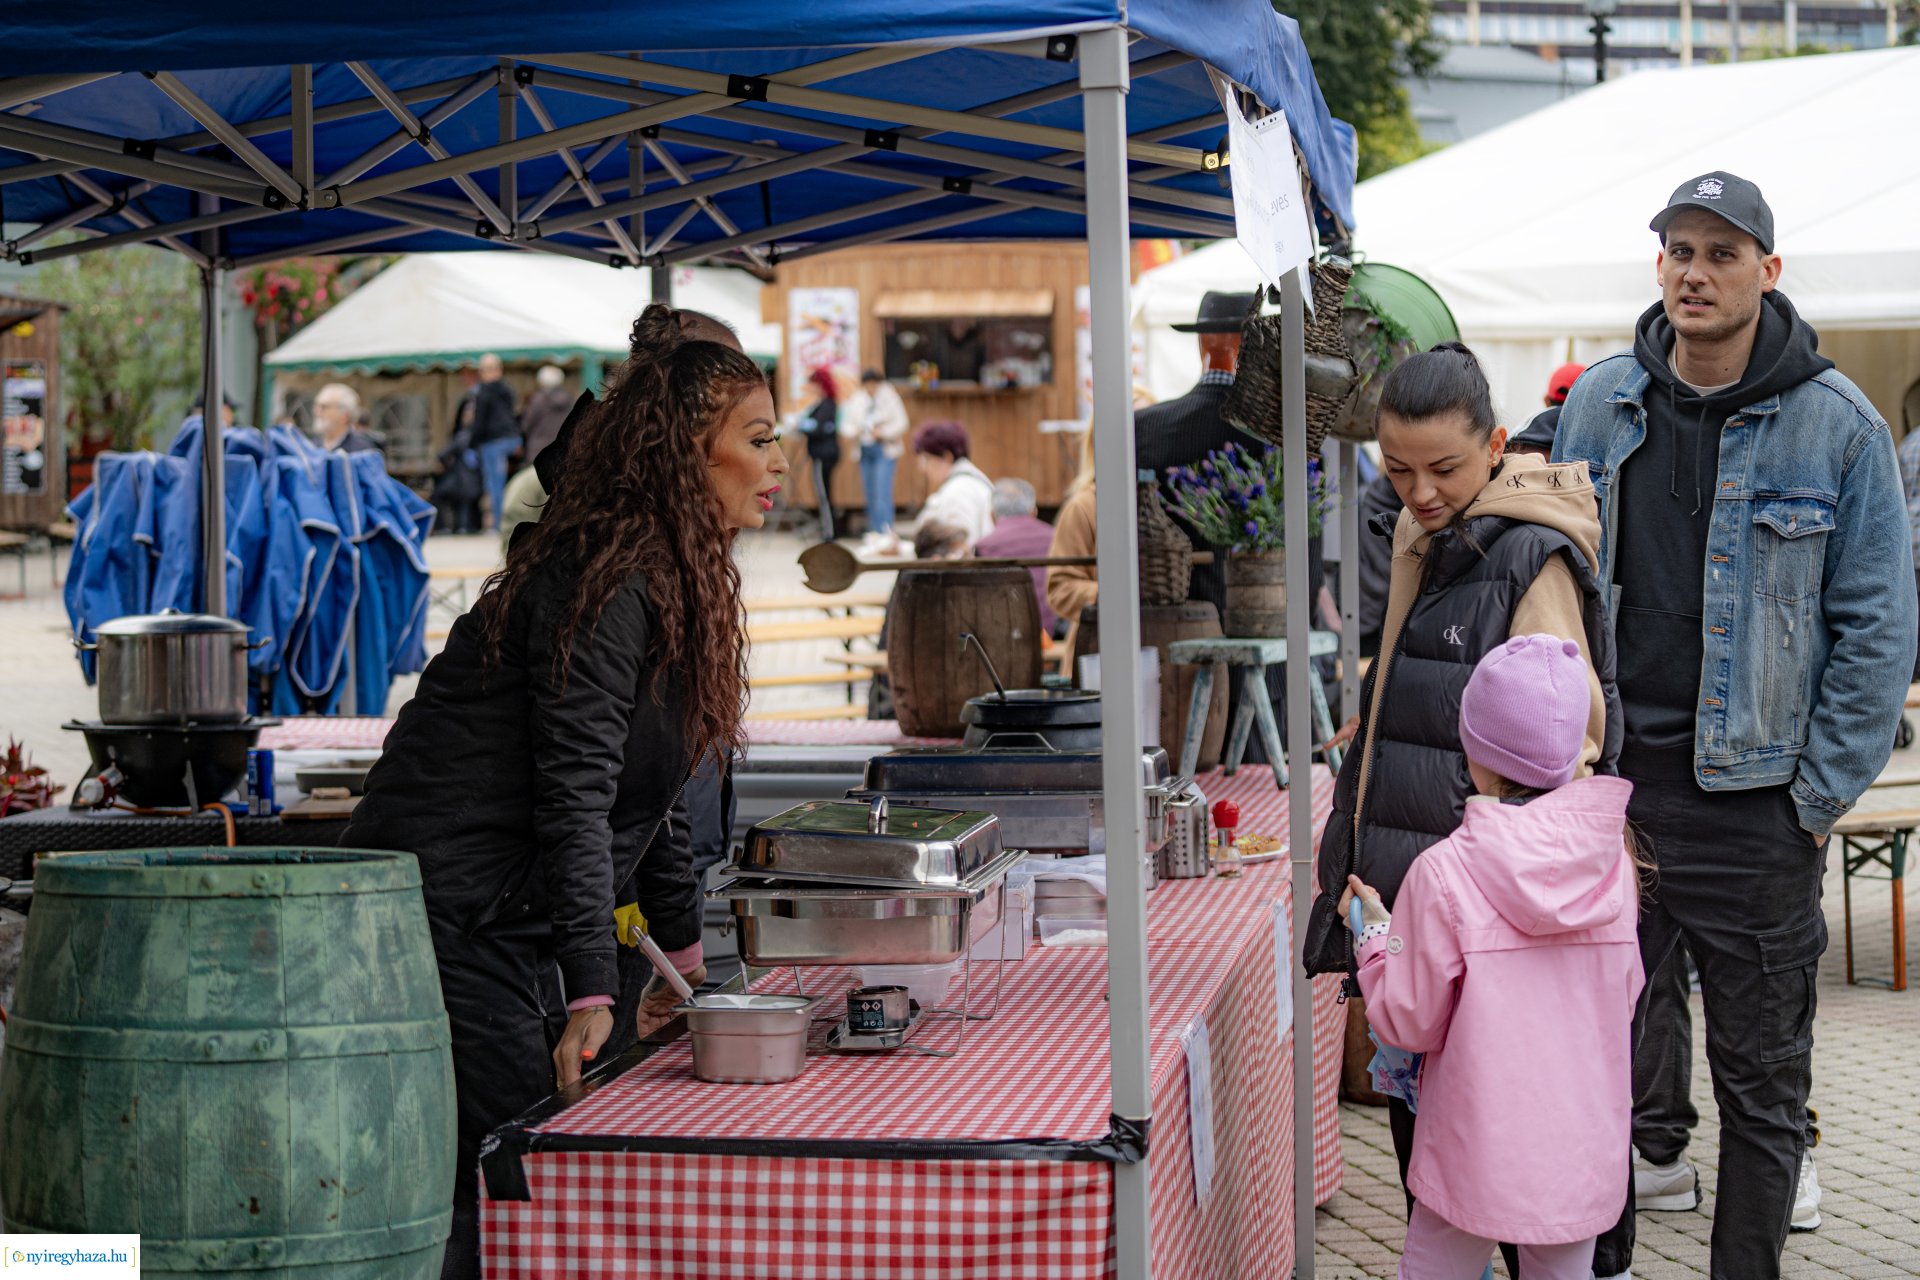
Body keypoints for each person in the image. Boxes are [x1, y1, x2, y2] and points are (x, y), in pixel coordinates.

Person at [340, 303, 785, 1279]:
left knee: (533, 1154)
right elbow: (576, 794)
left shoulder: (672, 577)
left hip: (506, 908)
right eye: (758, 438)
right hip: (440, 904)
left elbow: (650, 799)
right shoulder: (610, 580)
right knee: (513, 1164)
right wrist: (594, 982)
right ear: (685, 452)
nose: (780, 459)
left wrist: (679, 963)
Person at [1557, 171, 1915, 1280]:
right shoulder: (1599, 399)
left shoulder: (1838, 423)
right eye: (1678, 248)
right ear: (1657, 263)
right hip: (1609, 802)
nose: (1694, 271)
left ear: (1767, 270)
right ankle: (1598, 1261)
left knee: (1763, 1088)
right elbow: (1555, 583)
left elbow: (1878, 632)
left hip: (1754, 808)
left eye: (1721, 252)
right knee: (1590, 1069)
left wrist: (1811, 803)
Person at [1306, 341, 1623, 1276]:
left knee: (1478, 1175)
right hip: (1427, 890)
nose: (1419, 490)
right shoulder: (1429, 532)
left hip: (1473, 908)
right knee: (1440, 1165)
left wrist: (1475, 879)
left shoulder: (1532, 554)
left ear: (1494, 444)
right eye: (1397, 470)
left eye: (1443, 467)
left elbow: (1568, 735)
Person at [1343, 634, 1643, 1280]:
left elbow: (1408, 1020)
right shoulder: (1616, 868)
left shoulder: (1443, 873)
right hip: (1579, 1147)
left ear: (1474, 750)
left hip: (1473, 1146)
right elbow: (1624, 997)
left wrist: (1372, 940)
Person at [974, 478, 1060, 637]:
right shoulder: (1057, 537)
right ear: (1034, 511)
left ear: (992, 515)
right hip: (1057, 632)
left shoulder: (983, 547)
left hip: (1009, 636)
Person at [843, 369, 910, 539]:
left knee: (882, 492)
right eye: (868, 384)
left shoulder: (890, 397)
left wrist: (883, 432)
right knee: (870, 492)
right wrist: (856, 431)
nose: (871, 388)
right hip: (865, 449)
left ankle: (886, 531)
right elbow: (846, 425)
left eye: (874, 384)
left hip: (884, 449)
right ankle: (874, 530)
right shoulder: (857, 399)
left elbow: (902, 423)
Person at [911, 420, 994, 546]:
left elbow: (960, 545)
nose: (922, 468)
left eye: (926, 459)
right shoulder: (969, 481)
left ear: (947, 457)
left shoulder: (960, 489)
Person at [467, 353, 521, 532]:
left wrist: (471, 445)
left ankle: (499, 524)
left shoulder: (483, 392)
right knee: (509, 484)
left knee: (495, 486)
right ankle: (510, 520)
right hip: (510, 439)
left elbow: (479, 422)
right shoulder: (508, 389)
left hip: (492, 441)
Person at [800, 367, 844, 541]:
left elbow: (818, 428)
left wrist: (802, 425)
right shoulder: (822, 404)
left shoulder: (827, 404)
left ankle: (829, 533)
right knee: (824, 493)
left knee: (823, 495)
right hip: (823, 453)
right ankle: (829, 529)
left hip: (823, 455)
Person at [518, 364, 575, 470]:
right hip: (560, 450)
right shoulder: (568, 400)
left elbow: (526, 425)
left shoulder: (538, 400)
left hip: (538, 451)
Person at [313, 382, 381, 455]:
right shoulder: (312, 447)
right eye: (316, 406)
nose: (317, 412)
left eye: (324, 407)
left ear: (345, 416)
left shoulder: (362, 451)